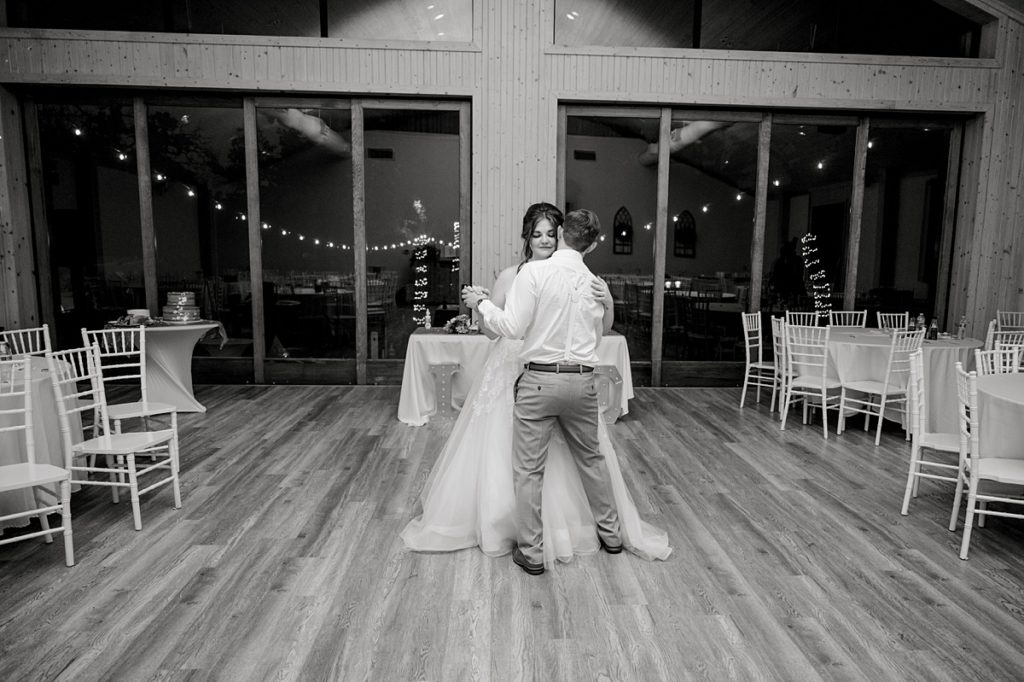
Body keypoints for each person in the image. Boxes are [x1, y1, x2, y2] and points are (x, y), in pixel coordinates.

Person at [400, 203, 671, 573]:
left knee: (532, 468)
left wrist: (481, 304)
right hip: (551, 376)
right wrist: (485, 310)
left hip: (537, 377)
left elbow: (513, 326)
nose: (543, 239)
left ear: (561, 235)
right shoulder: (542, 275)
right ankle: (608, 534)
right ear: (528, 236)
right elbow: (501, 331)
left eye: (550, 232)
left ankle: (534, 548)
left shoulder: (544, 277)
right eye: (537, 233)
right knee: (585, 458)